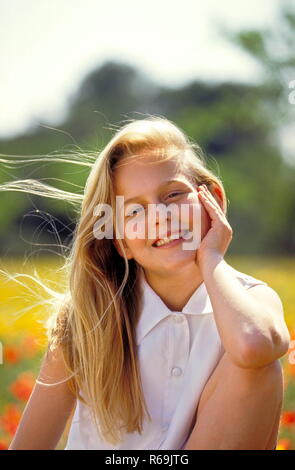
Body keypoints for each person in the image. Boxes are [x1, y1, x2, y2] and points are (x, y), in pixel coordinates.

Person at [7, 116, 290, 450]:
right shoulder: (88, 317)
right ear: (120, 242)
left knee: (258, 368)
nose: (159, 215)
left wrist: (211, 257)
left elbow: (253, 345)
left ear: (212, 199)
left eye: (172, 195)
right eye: (134, 211)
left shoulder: (253, 300)